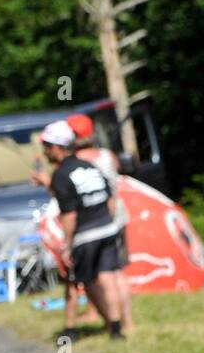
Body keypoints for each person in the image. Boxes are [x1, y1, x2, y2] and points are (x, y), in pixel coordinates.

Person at [35, 120, 124, 339]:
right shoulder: (88, 166)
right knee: (108, 276)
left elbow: (70, 214)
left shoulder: (61, 174)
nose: (45, 152)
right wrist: (109, 222)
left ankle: (75, 328)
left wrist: (66, 244)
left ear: (57, 147)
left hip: (85, 235)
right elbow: (110, 198)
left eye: (47, 146)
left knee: (83, 280)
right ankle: (115, 327)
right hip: (107, 227)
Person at [68, 113, 134, 332]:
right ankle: (128, 322)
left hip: (95, 221)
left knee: (94, 275)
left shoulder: (76, 165)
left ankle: (99, 314)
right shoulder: (107, 156)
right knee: (117, 272)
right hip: (117, 218)